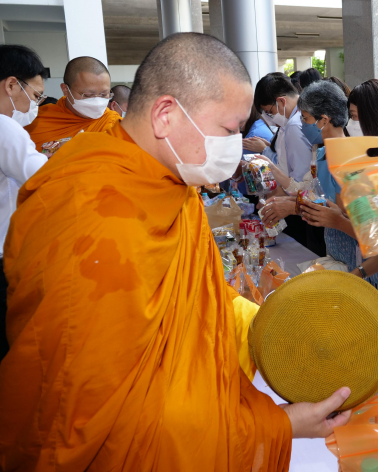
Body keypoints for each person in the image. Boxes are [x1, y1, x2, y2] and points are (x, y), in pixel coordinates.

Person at [0, 33, 351, 470]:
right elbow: (105, 422)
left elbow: (199, 299)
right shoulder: (90, 215)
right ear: (166, 114)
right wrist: (280, 424)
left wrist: (273, 325)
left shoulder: (167, 182)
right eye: (227, 130)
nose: (233, 145)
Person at [303, 79, 378, 312]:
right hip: (375, 273)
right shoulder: (372, 160)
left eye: (356, 116)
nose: (350, 124)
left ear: (376, 116)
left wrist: (339, 221)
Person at [0, 45, 48, 360]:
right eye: (36, 95)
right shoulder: (4, 127)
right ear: (12, 85)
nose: (36, 106)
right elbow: (47, 177)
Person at [243, 73, 312, 249]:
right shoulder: (289, 124)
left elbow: (301, 183)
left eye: (269, 112)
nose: (269, 117)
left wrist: (273, 199)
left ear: (281, 101)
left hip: (298, 209)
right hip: (293, 204)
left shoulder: (295, 125)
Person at [24, 56, 122, 151]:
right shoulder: (36, 121)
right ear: (65, 89)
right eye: (87, 95)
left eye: (104, 94)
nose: (97, 101)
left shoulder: (114, 123)